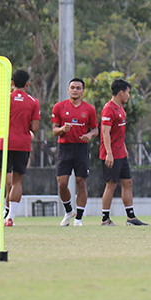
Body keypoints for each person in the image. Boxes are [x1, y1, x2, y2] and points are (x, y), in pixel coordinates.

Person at [0, 69, 41, 227]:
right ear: (27, 84)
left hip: (4, 143)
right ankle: (10, 217)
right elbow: (35, 127)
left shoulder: (3, 99)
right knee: (17, 182)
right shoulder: (33, 101)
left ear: (12, 83)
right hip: (22, 144)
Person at [100, 78, 148, 227]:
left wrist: (124, 147)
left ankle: (131, 218)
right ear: (121, 92)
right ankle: (105, 219)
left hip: (121, 153)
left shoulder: (120, 107)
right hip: (111, 154)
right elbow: (105, 133)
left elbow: (118, 132)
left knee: (127, 183)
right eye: (128, 92)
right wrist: (109, 153)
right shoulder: (108, 108)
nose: (128, 95)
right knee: (111, 184)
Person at [51, 78, 99, 227]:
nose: (75, 90)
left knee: (81, 182)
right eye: (72, 87)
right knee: (62, 184)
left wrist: (89, 135)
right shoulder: (59, 107)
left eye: (78, 88)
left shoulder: (89, 109)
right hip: (65, 149)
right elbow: (54, 130)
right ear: (68, 89)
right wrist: (62, 129)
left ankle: (78, 218)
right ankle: (68, 211)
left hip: (81, 149)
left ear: (83, 91)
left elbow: (95, 129)